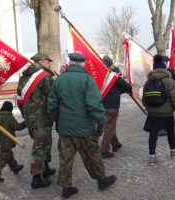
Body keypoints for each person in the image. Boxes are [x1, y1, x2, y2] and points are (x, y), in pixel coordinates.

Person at [47, 53, 117, 199]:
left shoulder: (59, 80)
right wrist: (101, 122)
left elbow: (52, 106)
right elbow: (94, 105)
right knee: (92, 155)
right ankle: (101, 180)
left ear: (70, 63)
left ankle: (66, 188)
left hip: (65, 129)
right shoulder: (87, 80)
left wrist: (58, 122)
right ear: (83, 64)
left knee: (65, 158)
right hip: (85, 128)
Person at [17, 52, 56, 189]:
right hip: (42, 118)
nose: (49, 64)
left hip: (31, 119)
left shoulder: (23, 78)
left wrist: (26, 116)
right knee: (40, 147)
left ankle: (45, 169)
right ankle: (36, 178)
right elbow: (53, 98)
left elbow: (19, 100)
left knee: (44, 144)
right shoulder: (45, 77)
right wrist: (55, 116)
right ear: (41, 61)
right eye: (48, 61)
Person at [143, 54, 175, 166]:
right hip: (167, 113)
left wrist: (148, 108)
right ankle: (173, 150)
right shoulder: (170, 81)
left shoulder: (148, 82)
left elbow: (144, 98)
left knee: (153, 134)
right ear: (164, 68)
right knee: (170, 131)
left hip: (152, 113)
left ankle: (152, 156)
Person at [100, 55, 132, 159]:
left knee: (109, 125)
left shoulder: (99, 75)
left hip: (101, 105)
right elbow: (127, 87)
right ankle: (104, 150)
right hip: (112, 106)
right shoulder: (112, 76)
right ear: (110, 65)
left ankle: (115, 144)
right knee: (109, 127)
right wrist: (119, 91)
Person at [0, 101, 26, 183]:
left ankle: (15, 167)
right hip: (7, 141)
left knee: (9, 155)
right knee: (2, 159)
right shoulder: (9, 117)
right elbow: (17, 127)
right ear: (10, 109)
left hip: (0, 141)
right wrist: (25, 123)